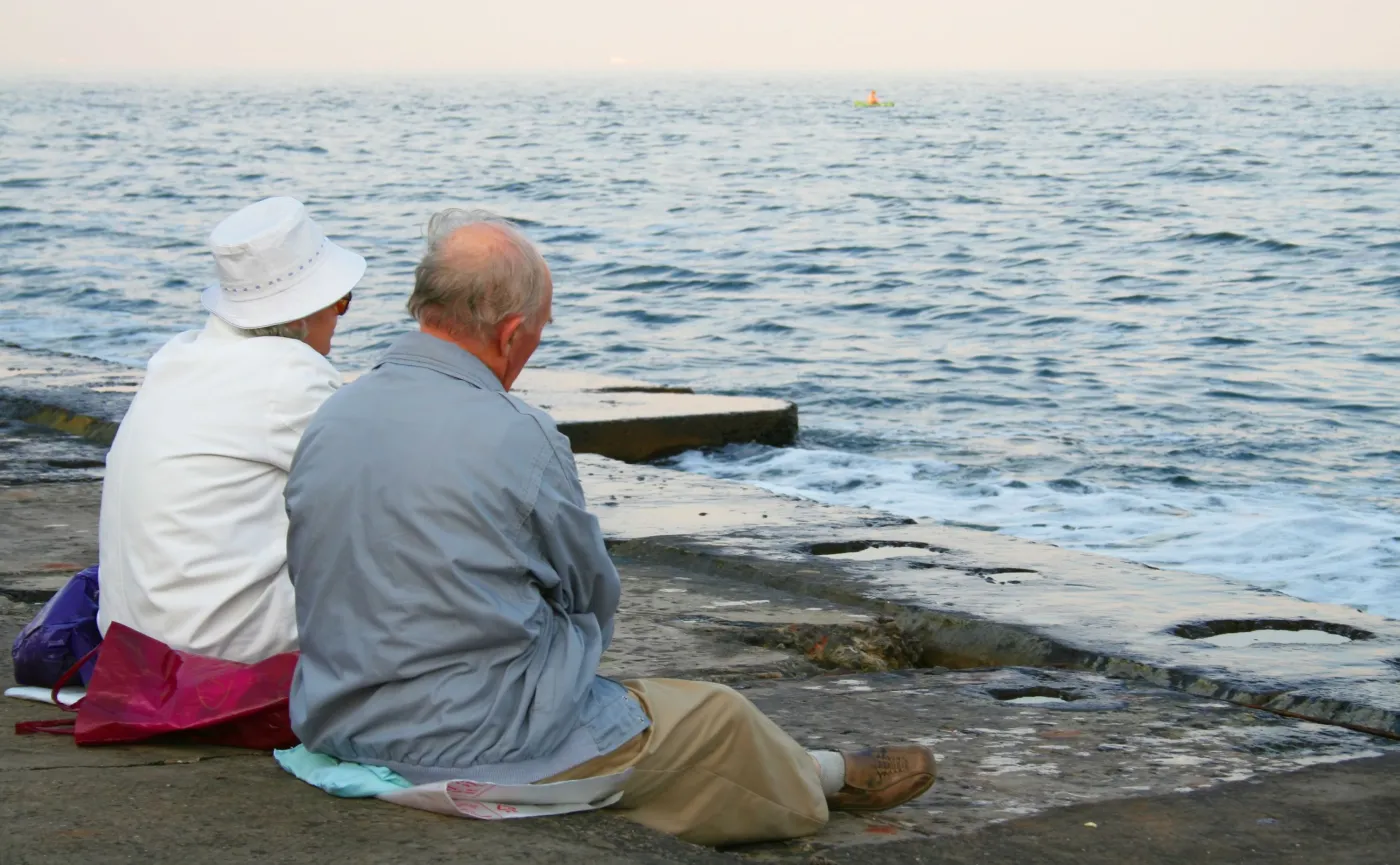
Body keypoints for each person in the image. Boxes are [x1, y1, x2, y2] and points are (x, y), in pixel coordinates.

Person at [283, 209, 937, 847]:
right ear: (511, 334)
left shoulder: (334, 413)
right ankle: (821, 778)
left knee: (632, 701)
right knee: (714, 718)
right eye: (539, 333)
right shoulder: (521, 435)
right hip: (467, 735)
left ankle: (800, 767)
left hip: (339, 716)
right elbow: (592, 593)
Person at [97, 196, 365, 664]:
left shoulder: (176, 357)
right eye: (340, 302)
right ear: (300, 314)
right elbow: (378, 489)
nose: (338, 320)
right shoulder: (291, 375)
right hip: (216, 648)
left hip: (129, 635)